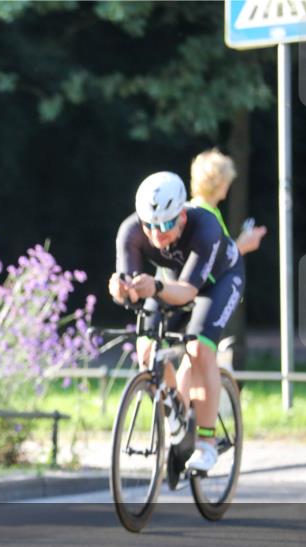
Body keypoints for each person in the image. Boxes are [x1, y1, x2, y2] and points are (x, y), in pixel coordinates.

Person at [108, 171, 245, 473]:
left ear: (182, 215)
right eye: (150, 226)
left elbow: (187, 293)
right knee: (146, 351)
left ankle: (207, 442)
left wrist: (154, 288)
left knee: (198, 348)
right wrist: (121, 290)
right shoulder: (130, 232)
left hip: (219, 282)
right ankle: (177, 411)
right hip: (171, 283)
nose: (157, 235)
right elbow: (130, 285)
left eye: (167, 224)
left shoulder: (204, 226)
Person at [189, 148, 266, 255]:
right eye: (226, 179)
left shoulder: (208, 210)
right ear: (218, 182)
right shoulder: (203, 214)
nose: (228, 184)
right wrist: (242, 245)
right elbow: (214, 261)